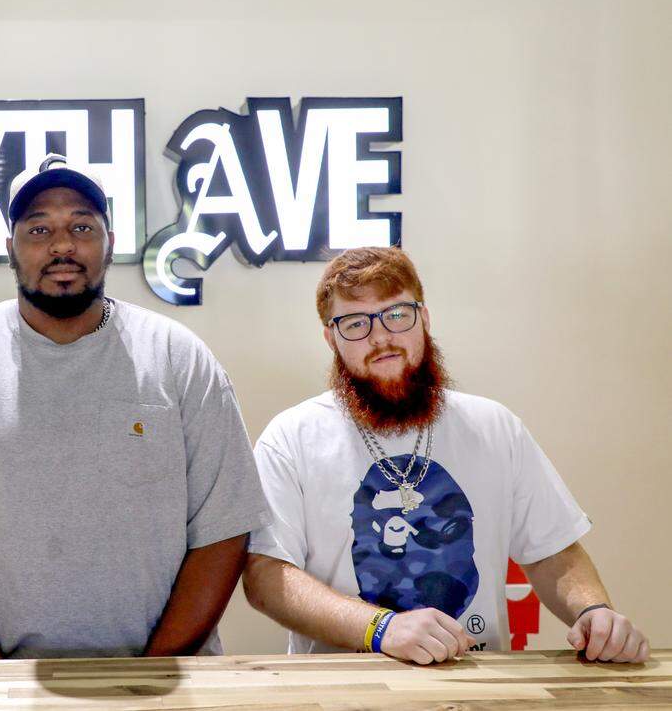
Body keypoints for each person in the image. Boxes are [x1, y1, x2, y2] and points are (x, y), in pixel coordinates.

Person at [0, 154, 269, 660]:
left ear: (110, 244)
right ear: (10, 249)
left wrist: (149, 675)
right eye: (38, 229)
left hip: (161, 683)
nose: (62, 245)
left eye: (81, 226)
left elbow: (222, 535)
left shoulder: (179, 357)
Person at [243, 246, 648, 664]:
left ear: (424, 318)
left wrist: (594, 612)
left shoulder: (494, 427)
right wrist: (381, 629)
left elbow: (553, 552)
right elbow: (268, 575)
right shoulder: (291, 439)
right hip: (343, 687)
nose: (381, 337)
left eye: (396, 314)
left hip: (478, 682)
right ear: (331, 338)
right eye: (355, 323)